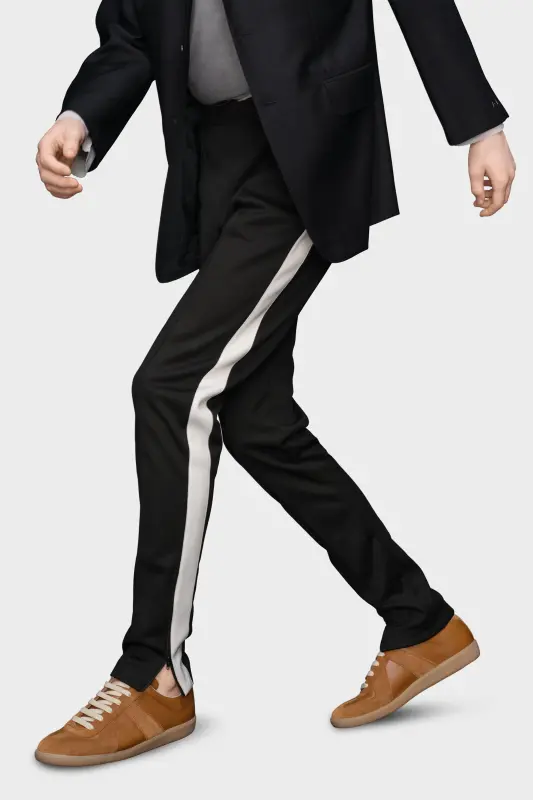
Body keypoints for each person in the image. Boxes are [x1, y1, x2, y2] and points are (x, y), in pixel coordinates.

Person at [34, 0, 516, 767]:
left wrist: (478, 126)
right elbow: (130, 27)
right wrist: (79, 116)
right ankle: (419, 620)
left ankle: (154, 672)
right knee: (258, 421)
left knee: (171, 388)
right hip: (212, 156)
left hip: (305, 146)